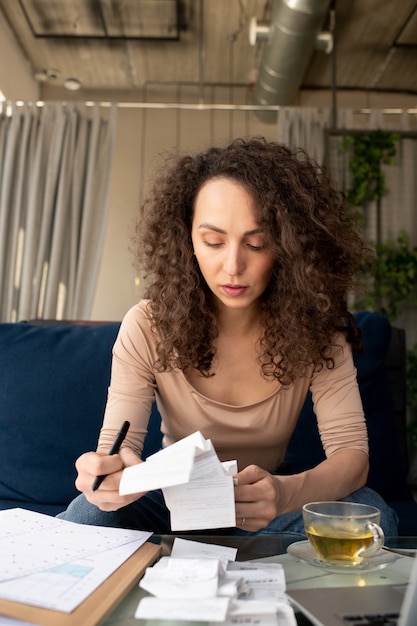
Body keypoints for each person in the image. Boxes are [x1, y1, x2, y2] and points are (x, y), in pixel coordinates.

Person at [58, 137, 398, 536]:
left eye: (257, 243)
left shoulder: (317, 328)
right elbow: (119, 446)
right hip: (173, 501)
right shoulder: (147, 324)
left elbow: (352, 457)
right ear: (188, 241)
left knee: (373, 518)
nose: (233, 266)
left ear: (288, 248)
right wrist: (107, 476)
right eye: (214, 242)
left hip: (271, 505)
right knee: (87, 516)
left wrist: (285, 494)